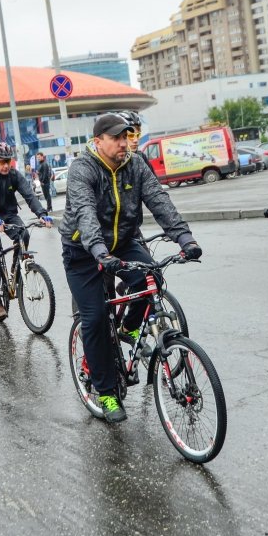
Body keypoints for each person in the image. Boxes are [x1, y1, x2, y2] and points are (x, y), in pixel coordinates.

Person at [60, 113, 202, 423]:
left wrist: (185, 239)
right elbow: (85, 213)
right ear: (98, 142)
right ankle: (107, 392)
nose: (125, 143)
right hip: (84, 250)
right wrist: (98, 250)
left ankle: (128, 327)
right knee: (95, 317)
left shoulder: (135, 164)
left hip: (122, 240)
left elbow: (158, 199)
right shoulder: (82, 169)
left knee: (151, 277)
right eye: (117, 138)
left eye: (127, 137)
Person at [0, 142, 53, 320]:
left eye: (8, 161)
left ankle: (16, 268)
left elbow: (29, 195)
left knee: (24, 233)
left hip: (9, 214)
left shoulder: (14, 175)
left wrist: (42, 213)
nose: (5, 165)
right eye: (1, 162)